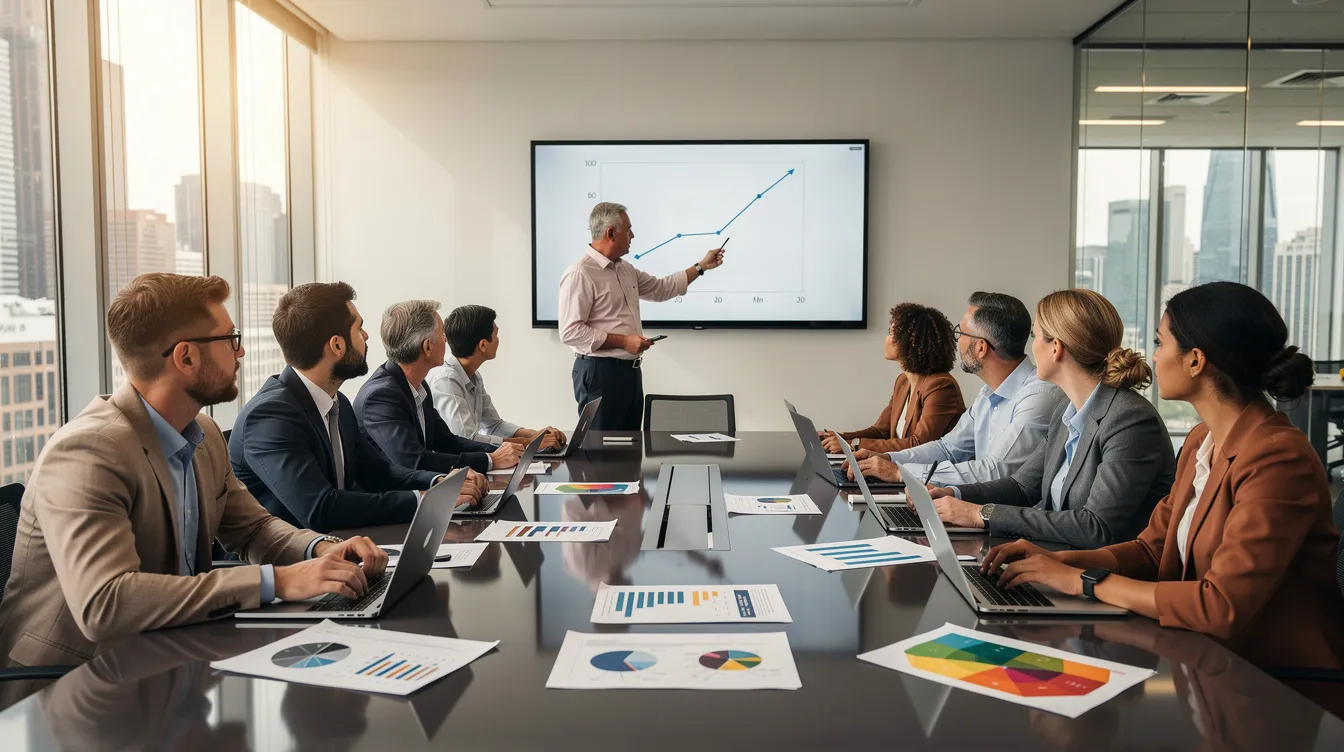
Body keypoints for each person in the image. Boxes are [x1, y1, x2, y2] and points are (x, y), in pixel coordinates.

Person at [0, 273, 388, 669]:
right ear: (186, 357)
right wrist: (280, 581)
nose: (240, 353)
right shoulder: (89, 451)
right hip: (76, 685)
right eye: (230, 339)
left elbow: (253, 529)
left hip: (172, 655)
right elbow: (106, 602)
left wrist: (318, 548)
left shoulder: (202, 433)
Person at [981, 281, 1344, 675]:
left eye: (1161, 342)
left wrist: (1081, 581)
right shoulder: (1202, 441)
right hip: (1200, 660)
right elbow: (1153, 550)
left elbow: (1220, 606)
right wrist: (1058, 560)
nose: (1153, 356)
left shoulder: (1278, 458)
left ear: (1195, 361)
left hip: (1269, 686)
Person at [922, 289, 1175, 548]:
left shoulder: (1130, 420)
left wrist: (982, 514)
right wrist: (955, 494)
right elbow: (1022, 487)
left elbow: (1096, 527)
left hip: (1099, 578)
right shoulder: (1066, 407)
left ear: (1056, 348)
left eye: (1035, 336)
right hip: (1056, 561)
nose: (1030, 347)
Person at [230, 283, 483, 534]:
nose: (366, 336)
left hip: (343, 547)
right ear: (337, 346)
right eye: (359, 328)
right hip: (291, 566)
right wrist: (426, 499)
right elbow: (320, 509)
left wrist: (438, 483)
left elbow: (377, 470)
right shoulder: (270, 416)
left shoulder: (336, 403)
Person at [847, 291, 1065, 486]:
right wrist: (891, 459)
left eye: (960, 333)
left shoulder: (1038, 396)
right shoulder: (988, 393)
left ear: (981, 347)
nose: (956, 340)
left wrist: (900, 472)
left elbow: (996, 471)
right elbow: (948, 449)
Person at [558, 202, 726, 430]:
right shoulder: (581, 273)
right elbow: (570, 332)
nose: (632, 235)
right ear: (610, 233)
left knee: (629, 451)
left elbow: (661, 288)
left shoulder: (625, 269)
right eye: (628, 230)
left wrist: (701, 266)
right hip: (599, 373)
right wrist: (624, 341)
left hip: (629, 373)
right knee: (601, 453)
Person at [355, 300, 522, 478]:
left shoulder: (417, 385)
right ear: (427, 347)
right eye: (442, 334)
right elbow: (415, 461)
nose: (446, 339)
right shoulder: (381, 396)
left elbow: (447, 441)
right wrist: (491, 460)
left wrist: (503, 451)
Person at [820, 302, 966, 454]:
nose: (886, 338)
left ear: (907, 342)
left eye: (890, 332)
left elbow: (919, 444)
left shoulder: (940, 386)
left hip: (926, 474)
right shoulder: (903, 381)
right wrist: (838, 438)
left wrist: (851, 446)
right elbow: (880, 431)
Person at [428, 304, 566, 451]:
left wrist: (537, 435)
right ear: (483, 345)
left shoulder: (474, 376)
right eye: (496, 335)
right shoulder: (446, 380)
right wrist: (526, 442)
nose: (498, 340)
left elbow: (494, 425)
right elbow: (467, 438)